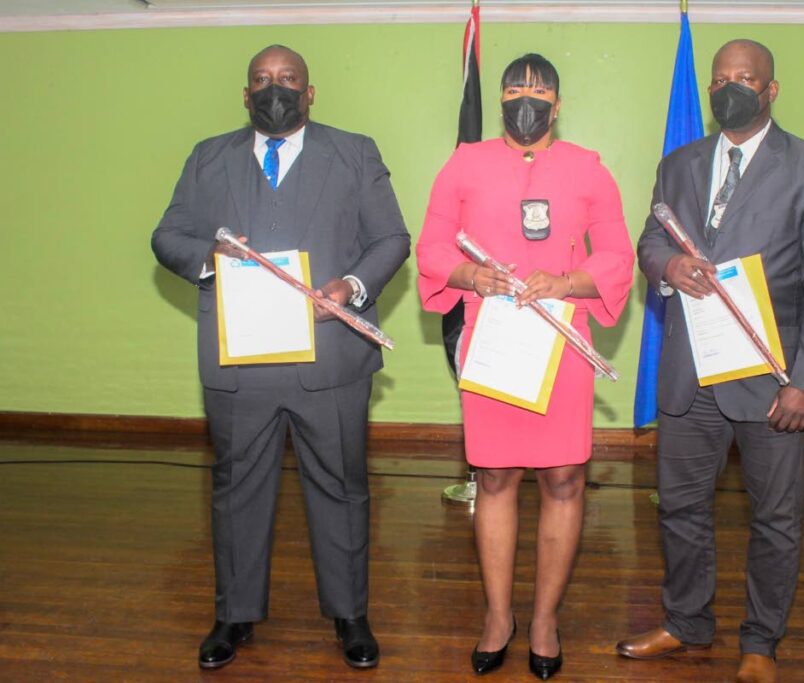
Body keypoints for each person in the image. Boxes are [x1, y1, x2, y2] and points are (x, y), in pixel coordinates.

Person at [151, 45, 409, 671]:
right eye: (262, 81)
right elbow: (167, 235)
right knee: (236, 487)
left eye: (288, 79)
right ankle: (234, 615)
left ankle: (350, 615)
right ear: (245, 95)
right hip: (240, 363)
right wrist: (211, 265)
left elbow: (392, 238)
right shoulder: (207, 157)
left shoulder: (355, 152)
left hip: (331, 360)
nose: (276, 89)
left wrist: (350, 288)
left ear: (310, 92)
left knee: (341, 488)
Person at [616, 39, 804, 683]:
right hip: (691, 372)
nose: (730, 88)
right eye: (720, 78)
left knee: (775, 519)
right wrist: (668, 264)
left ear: (771, 89)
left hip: (772, 377)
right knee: (679, 507)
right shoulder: (680, 162)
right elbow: (651, 236)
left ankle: (760, 642)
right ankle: (686, 621)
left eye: (745, 78)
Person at [416, 54, 634, 680]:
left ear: (558, 105)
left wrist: (567, 279)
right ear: (502, 99)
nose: (527, 99)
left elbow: (618, 255)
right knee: (494, 479)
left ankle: (544, 618)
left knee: (564, 479)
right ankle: (498, 616)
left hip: (563, 340)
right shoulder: (464, 163)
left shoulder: (589, 169)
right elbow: (431, 247)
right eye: (515, 89)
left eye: (540, 91)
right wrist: (471, 274)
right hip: (494, 341)